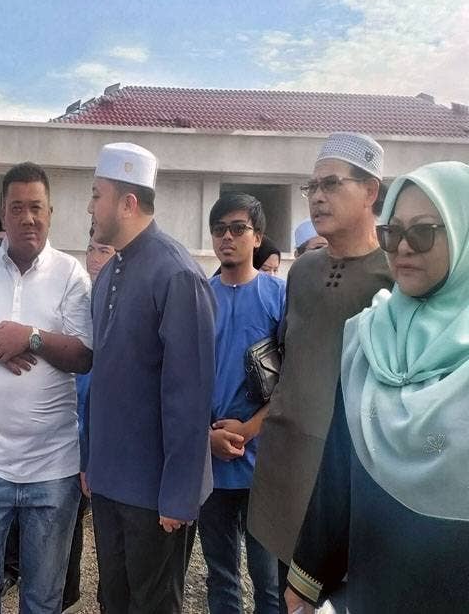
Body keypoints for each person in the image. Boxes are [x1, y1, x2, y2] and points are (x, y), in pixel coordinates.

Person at [285, 162, 469, 613]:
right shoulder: (368, 334)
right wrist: (308, 580)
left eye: (424, 232)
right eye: (392, 233)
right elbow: (337, 464)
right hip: (374, 582)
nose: (403, 247)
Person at [247, 132, 393, 603]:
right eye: (311, 187)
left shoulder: (393, 275)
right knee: (279, 593)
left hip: (350, 477)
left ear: (370, 191)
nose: (317, 197)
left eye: (331, 184)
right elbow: (290, 362)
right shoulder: (303, 272)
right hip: (285, 465)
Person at [0, 162, 93, 614]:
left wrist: (30, 337)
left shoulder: (72, 275)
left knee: (42, 598)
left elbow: (84, 355)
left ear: (51, 212)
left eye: (36, 208)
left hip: (53, 470)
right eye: (17, 208)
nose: (27, 218)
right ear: (2, 214)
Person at [85, 143, 216, 613]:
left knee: (154, 604)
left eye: (97, 195)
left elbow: (191, 394)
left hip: (155, 493)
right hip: (109, 482)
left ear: (128, 203)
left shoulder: (176, 273)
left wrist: (178, 496)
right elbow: (103, 380)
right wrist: (90, 462)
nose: (90, 206)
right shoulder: (110, 273)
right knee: (114, 601)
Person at [201, 193, 285, 614]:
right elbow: (180, 378)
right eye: (219, 230)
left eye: (238, 229)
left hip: (262, 464)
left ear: (258, 237)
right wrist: (205, 438)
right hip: (211, 463)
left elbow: (294, 378)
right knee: (221, 578)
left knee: (268, 582)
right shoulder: (198, 297)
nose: (227, 238)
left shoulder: (279, 297)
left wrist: (251, 428)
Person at [62, 229, 113, 614]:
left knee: (110, 534)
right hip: (68, 427)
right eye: (91, 248)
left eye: (104, 249)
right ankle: (66, 595)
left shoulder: (120, 304)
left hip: (103, 434)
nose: (95, 257)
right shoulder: (78, 299)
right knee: (66, 523)